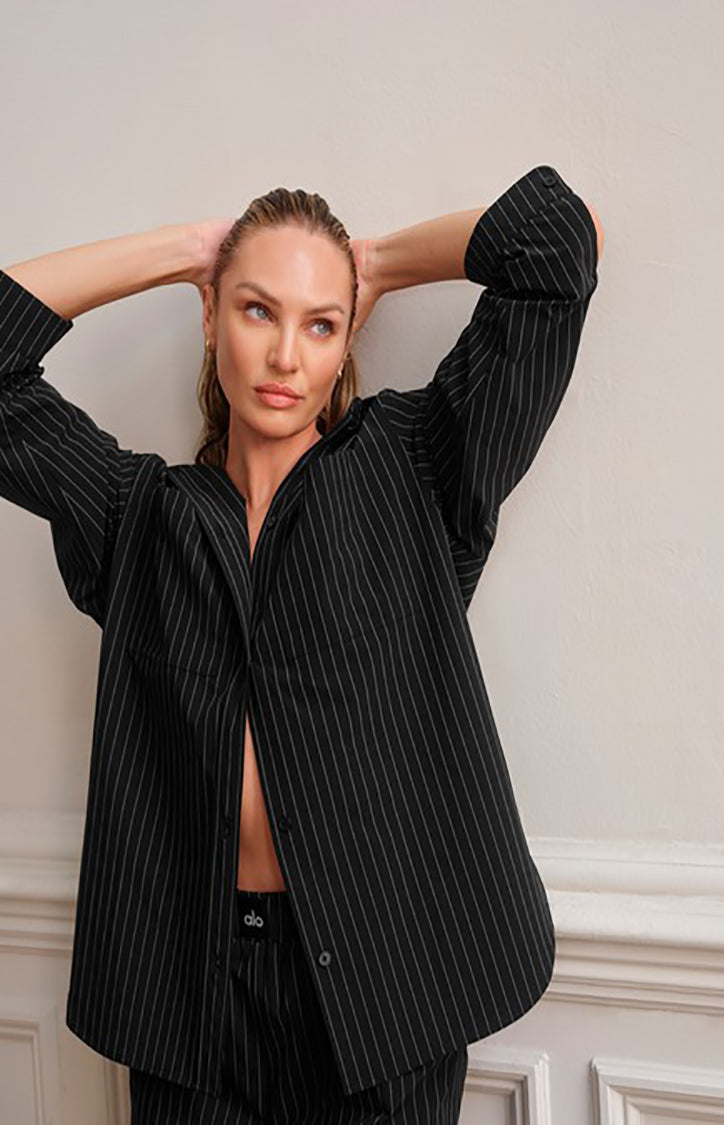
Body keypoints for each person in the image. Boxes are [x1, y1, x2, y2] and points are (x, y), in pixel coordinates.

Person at [0, 165, 602, 1124]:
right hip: (191, 1004)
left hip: (383, 993)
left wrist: (378, 265)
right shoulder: (137, 518)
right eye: (256, 309)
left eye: (321, 323)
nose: (285, 354)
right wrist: (185, 253)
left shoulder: (415, 472)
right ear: (212, 319)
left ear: (345, 338)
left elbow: (558, 244)